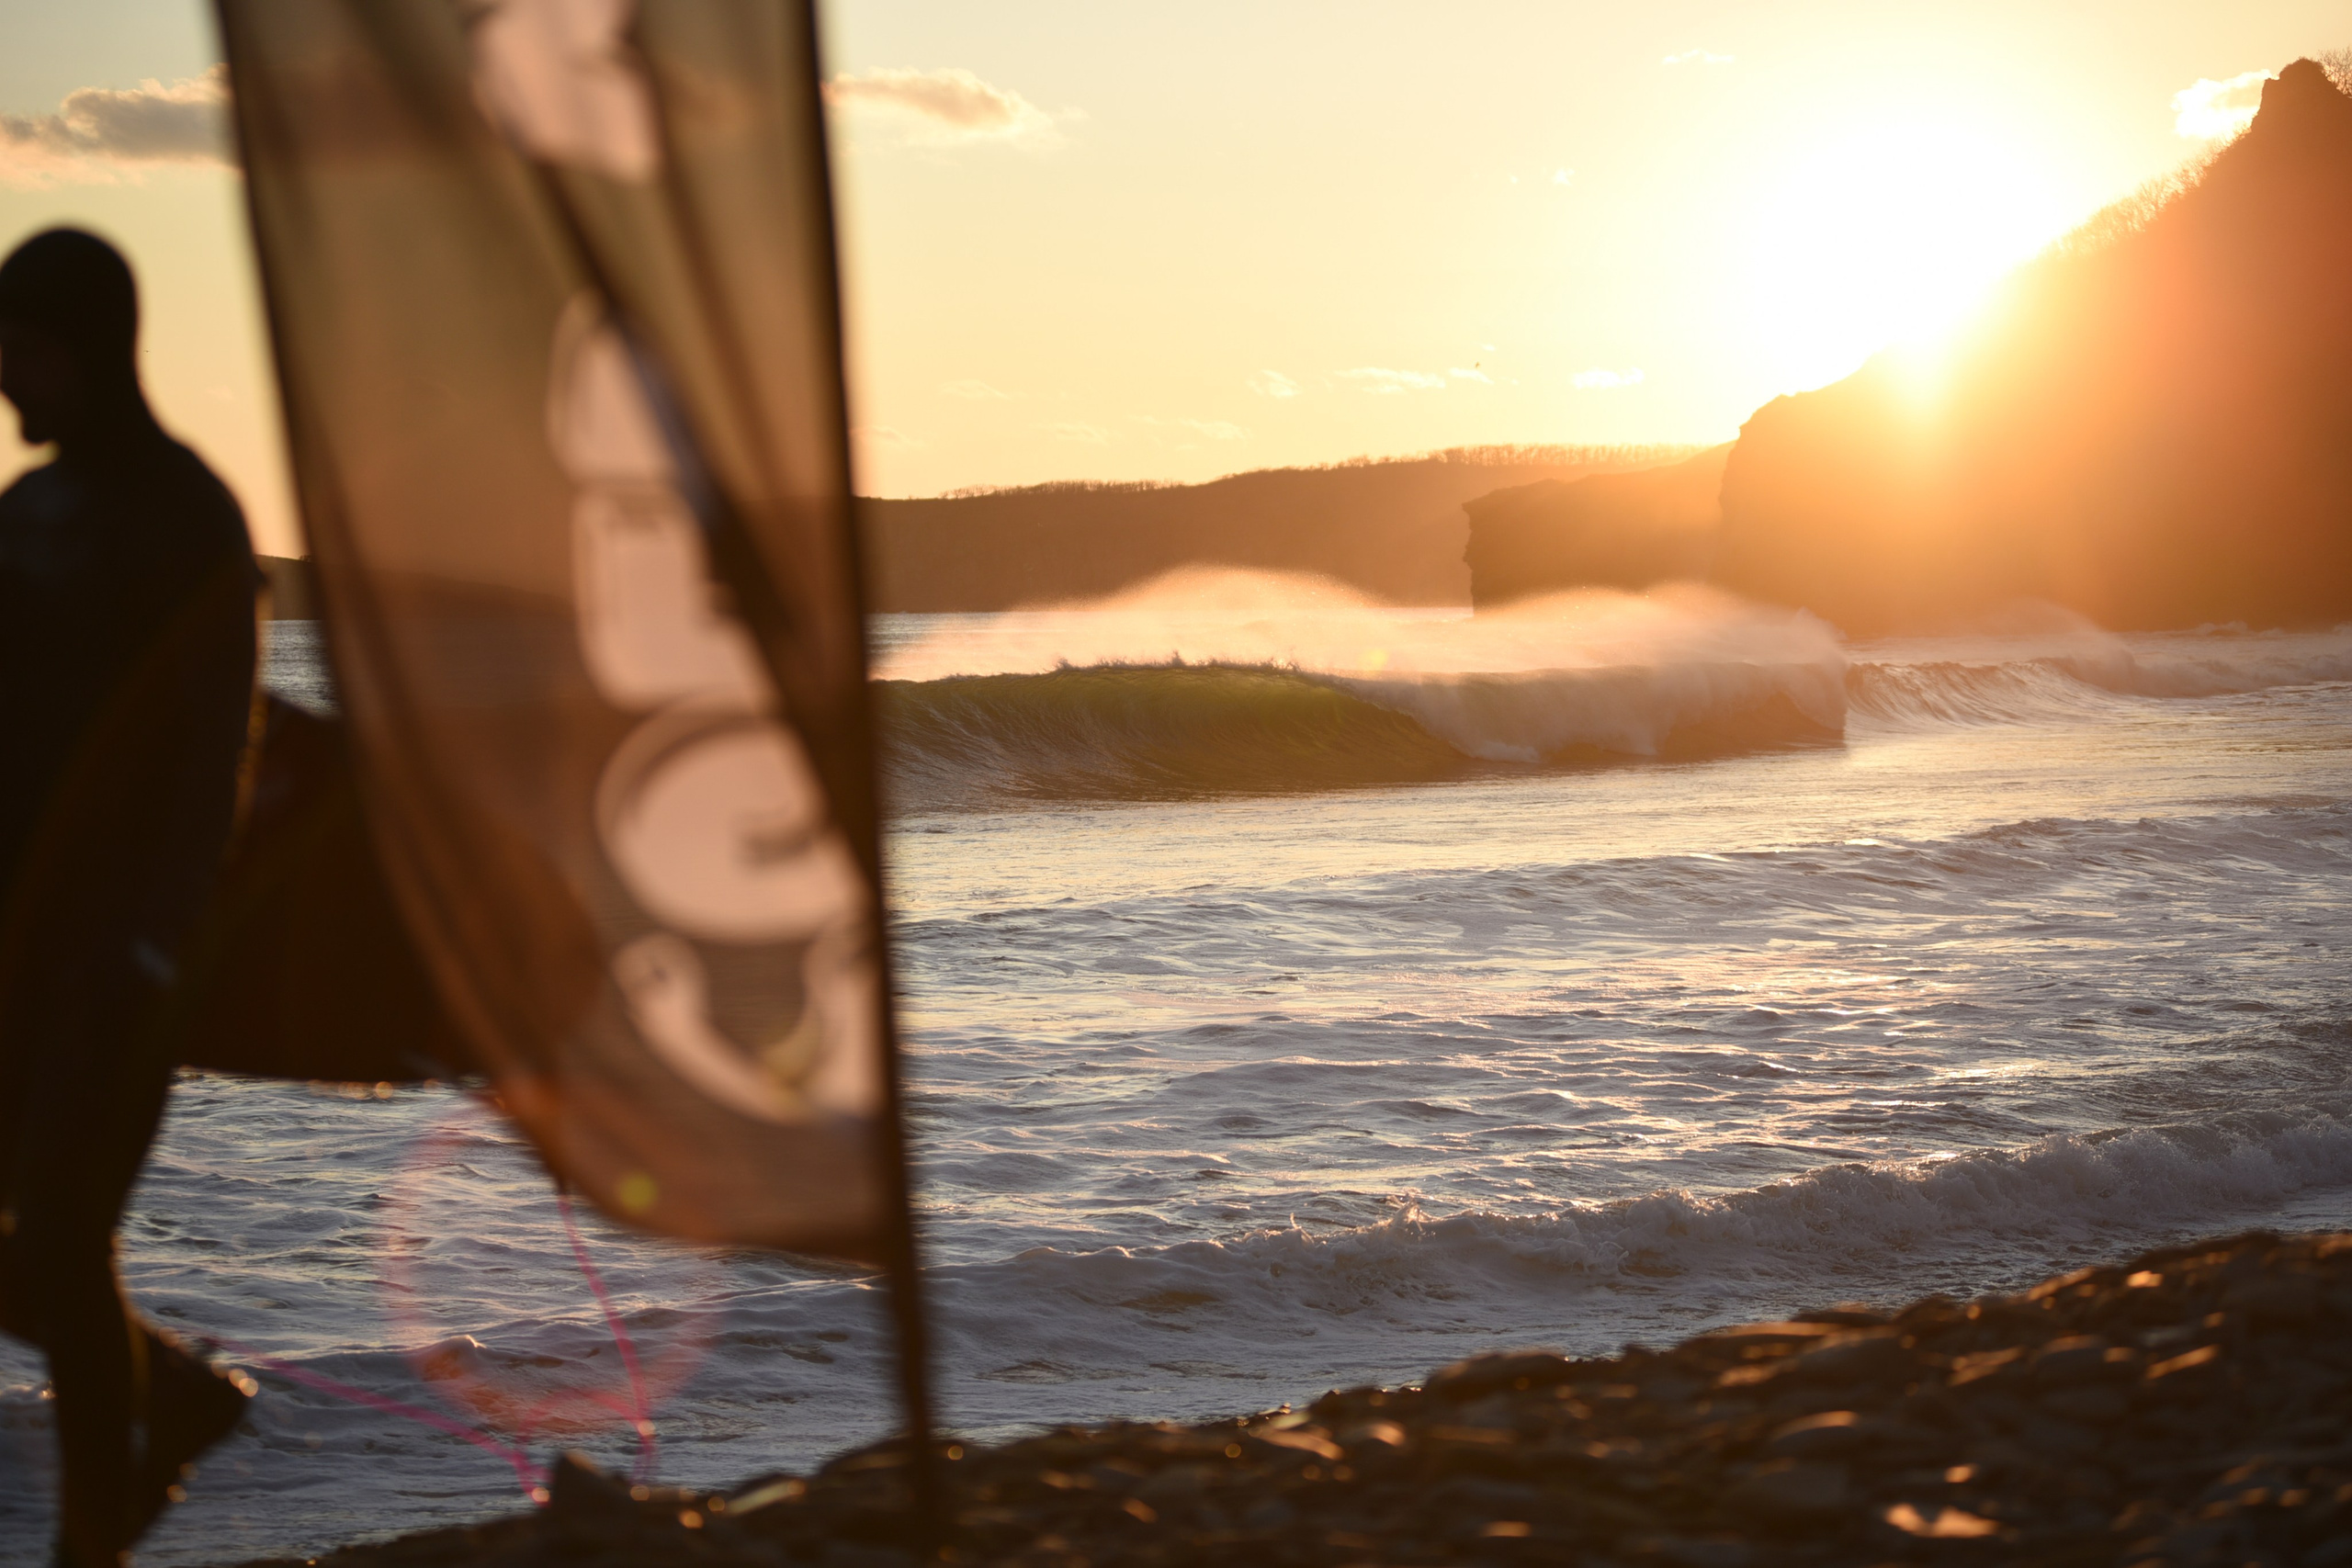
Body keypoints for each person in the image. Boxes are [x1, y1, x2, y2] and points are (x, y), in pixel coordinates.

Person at [0, 229, 262, 1566]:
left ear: (92, 348)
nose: (7, 381)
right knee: (31, 1253)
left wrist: (159, 940)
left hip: (130, 953)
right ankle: (172, 1395)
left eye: (26, 350)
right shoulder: (23, 515)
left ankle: (90, 1539)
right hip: (21, 947)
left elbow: (218, 743)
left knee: (58, 1235)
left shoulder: (185, 511)